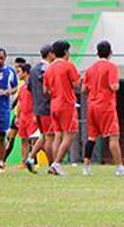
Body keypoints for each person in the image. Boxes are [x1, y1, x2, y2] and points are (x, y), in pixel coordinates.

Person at [82, 40, 124, 177]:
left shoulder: (90, 68)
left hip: (92, 106)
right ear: (110, 52)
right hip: (106, 106)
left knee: (91, 137)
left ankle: (86, 167)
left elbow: (83, 89)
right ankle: (119, 168)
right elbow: (114, 86)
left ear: (97, 53)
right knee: (113, 136)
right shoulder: (111, 67)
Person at [43, 40, 81, 176]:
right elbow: (76, 84)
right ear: (65, 52)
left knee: (57, 135)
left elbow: (45, 91)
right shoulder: (69, 66)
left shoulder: (49, 68)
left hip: (54, 104)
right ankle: (57, 164)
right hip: (67, 104)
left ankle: (53, 164)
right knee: (70, 135)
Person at [25, 45, 56, 173]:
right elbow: (48, 89)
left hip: (37, 107)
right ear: (50, 54)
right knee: (50, 137)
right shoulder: (47, 69)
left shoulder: (33, 70)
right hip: (47, 108)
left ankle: (30, 158)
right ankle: (52, 165)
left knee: (43, 136)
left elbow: (29, 88)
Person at [13, 63, 39, 165]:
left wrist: (36, 114)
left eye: (19, 72)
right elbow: (20, 102)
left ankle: (34, 161)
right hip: (23, 116)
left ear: (25, 72)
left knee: (34, 140)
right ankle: (24, 162)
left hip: (31, 115)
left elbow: (37, 100)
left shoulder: (33, 86)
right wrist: (17, 116)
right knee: (23, 139)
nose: (18, 74)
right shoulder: (22, 87)